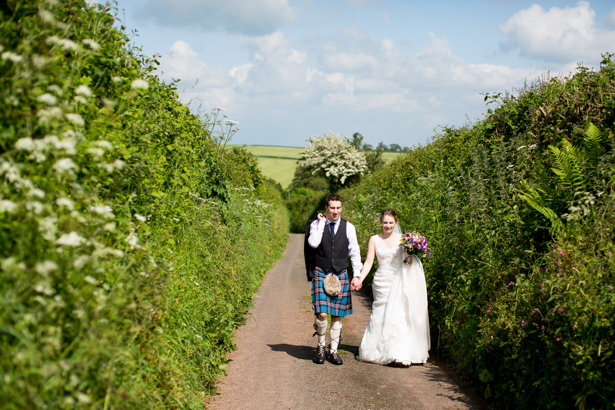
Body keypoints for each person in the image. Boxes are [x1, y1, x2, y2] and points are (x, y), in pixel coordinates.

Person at [352, 208, 430, 366]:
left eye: (391, 223)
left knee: (397, 313)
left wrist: (409, 258)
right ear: (381, 222)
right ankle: (376, 350)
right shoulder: (374, 239)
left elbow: (407, 259)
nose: (388, 225)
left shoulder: (404, 239)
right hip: (381, 281)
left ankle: (398, 353)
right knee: (380, 313)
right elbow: (368, 262)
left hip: (398, 279)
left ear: (396, 223)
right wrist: (360, 278)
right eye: (385, 222)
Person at [308, 193, 363, 365]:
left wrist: (357, 275)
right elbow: (313, 243)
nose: (335, 211)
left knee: (337, 315)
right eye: (332, 208)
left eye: (338, 208)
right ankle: (321, 347)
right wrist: (322, 223)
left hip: (340, 273)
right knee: (323, 313)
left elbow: (354, 252)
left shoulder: (349, 227)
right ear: (326, 208)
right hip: (321, 272)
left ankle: (333, 351)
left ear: (341, 207)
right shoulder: (316, 224)